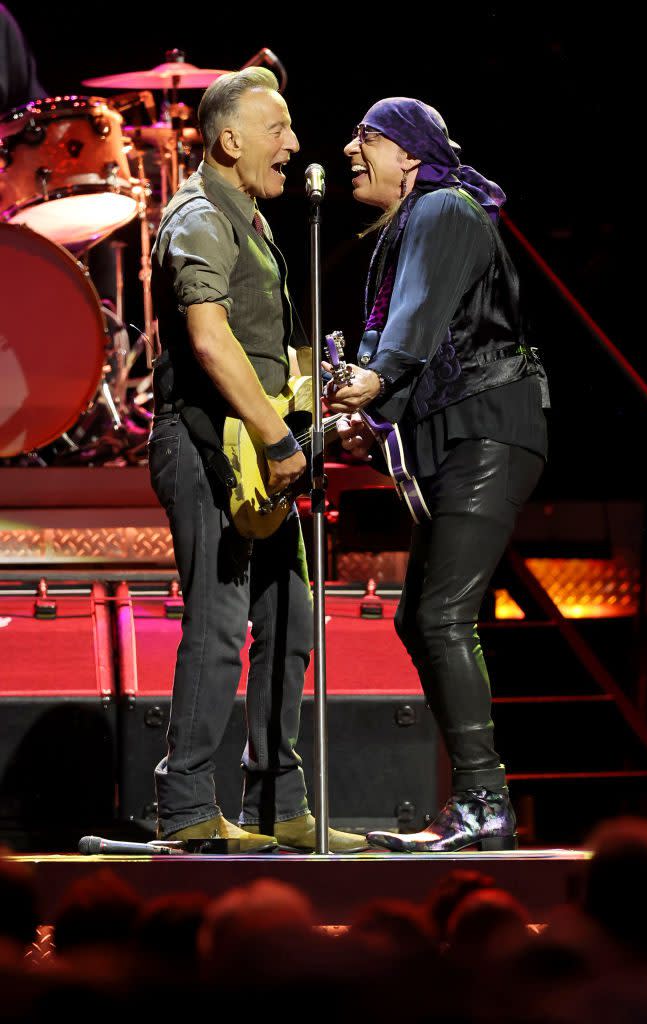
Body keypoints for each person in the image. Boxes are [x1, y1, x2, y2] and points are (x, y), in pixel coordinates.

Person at [149, 67, 364, 852]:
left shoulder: (248, 215)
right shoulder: (199, 214)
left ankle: (279, 806)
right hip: (212, 445)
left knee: (289, 617)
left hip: (259, 450)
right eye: (278, 129)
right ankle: (187, 811)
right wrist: (277, 440)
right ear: (229, 139)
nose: (295, 145)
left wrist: (313, 401)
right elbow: (209, 340)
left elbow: (270, 342)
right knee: (218, 622)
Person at [327, 97, 549, 853]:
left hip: (489, 429)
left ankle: (484, 804)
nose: (350, 149)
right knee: (416, 616)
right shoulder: (410, 223)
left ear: (408, 154)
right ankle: (478, 803)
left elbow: (414, 322)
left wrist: (375, 377)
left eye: (366, 137)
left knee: (441, 616)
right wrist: (370, 410)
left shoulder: (442, 208)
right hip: (463, 431)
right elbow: (410, 327)